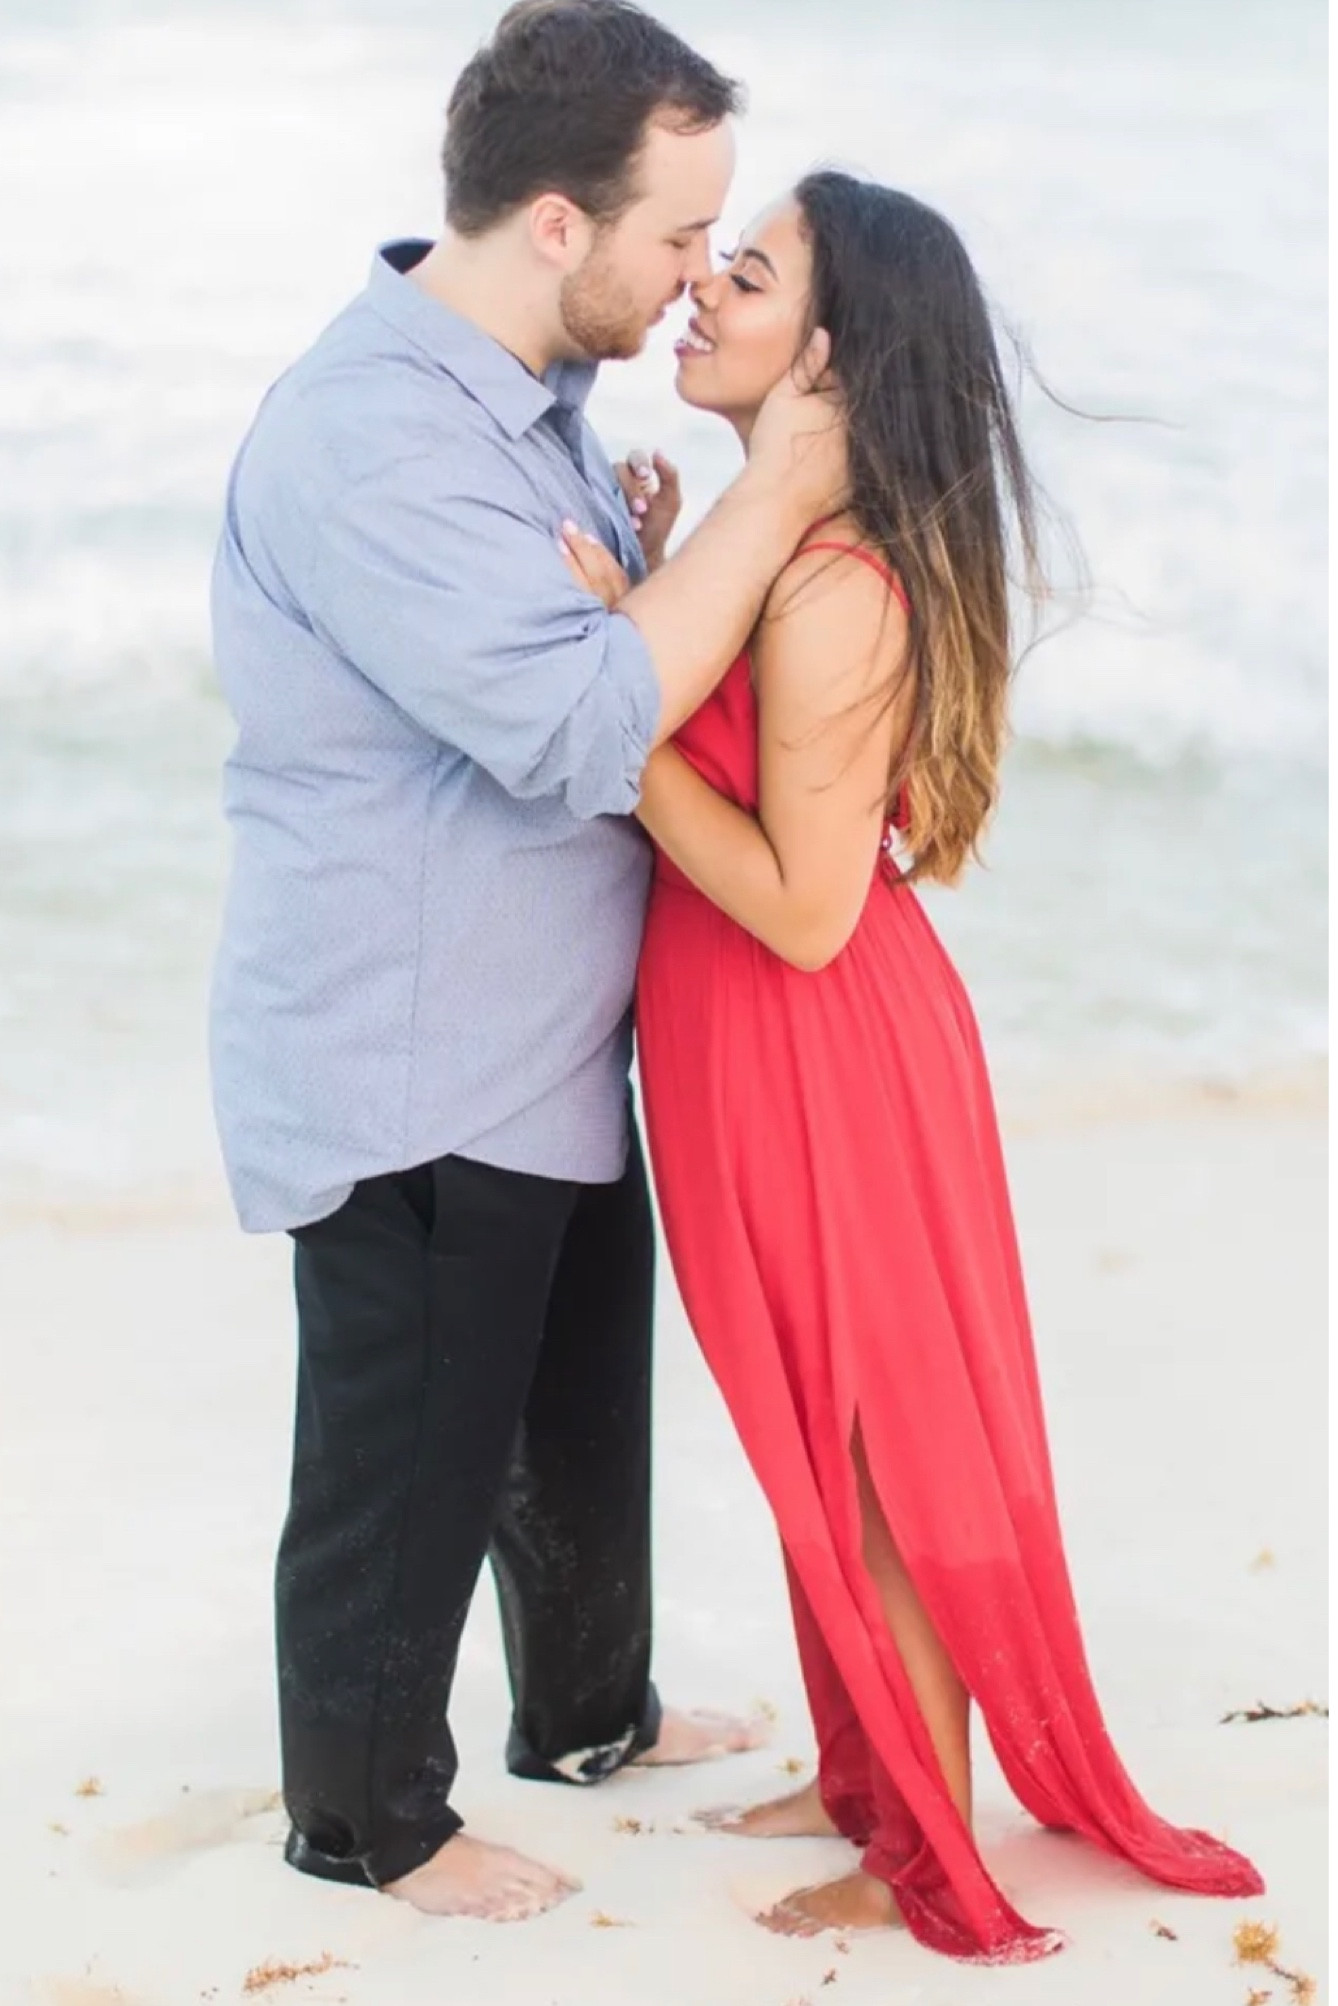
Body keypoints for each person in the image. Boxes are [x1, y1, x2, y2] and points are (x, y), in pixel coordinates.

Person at [558, 170, 1265, 1961]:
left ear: (835, 360)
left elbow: (800, 907)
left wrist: (612, 717)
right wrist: (651, 590)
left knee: (871, 1449)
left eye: (750, 270)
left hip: (819, 1045)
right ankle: (870, 1761)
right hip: (762, 1043)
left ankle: (918, 1840)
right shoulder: (775, 549)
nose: (702, 290)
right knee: (808, 1418)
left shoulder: (836, 590)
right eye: (712, 261)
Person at [208, 0, 844, 1924]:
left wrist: (661, 561)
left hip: (548, 1039)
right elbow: (578, 730)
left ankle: (586, 1712)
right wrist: (774, 501)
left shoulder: (525, 404)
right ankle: (364, 1816)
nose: (687, 286)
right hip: (413, 1051)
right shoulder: (371, 438)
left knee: (569, 1402)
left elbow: (606, 667)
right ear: (557, 224)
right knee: (406, 1446)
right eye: (676, 237)